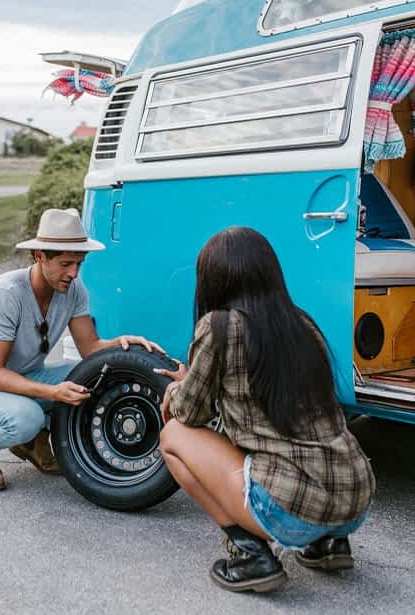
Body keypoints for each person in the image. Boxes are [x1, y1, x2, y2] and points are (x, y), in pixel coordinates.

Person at [157, 226, 375, 594]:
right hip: (356, 499)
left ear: (214, 279)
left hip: (294, 510)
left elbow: (189, 413)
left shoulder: (220, 326)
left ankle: (251, 555)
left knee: (172, 437)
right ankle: (327, 545)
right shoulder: (302, 323)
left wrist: (177, 387)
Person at [0, 208, 161, 492]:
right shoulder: (6, 295)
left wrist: (125, 343)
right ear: (39, 257)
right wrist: (53, 393)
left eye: (79, 264)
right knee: (27, 417)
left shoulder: (73, 289)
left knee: (94, 376)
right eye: (65, 264)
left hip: (25, 376)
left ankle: (32, 443)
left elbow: (91, 350)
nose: (73, 273)